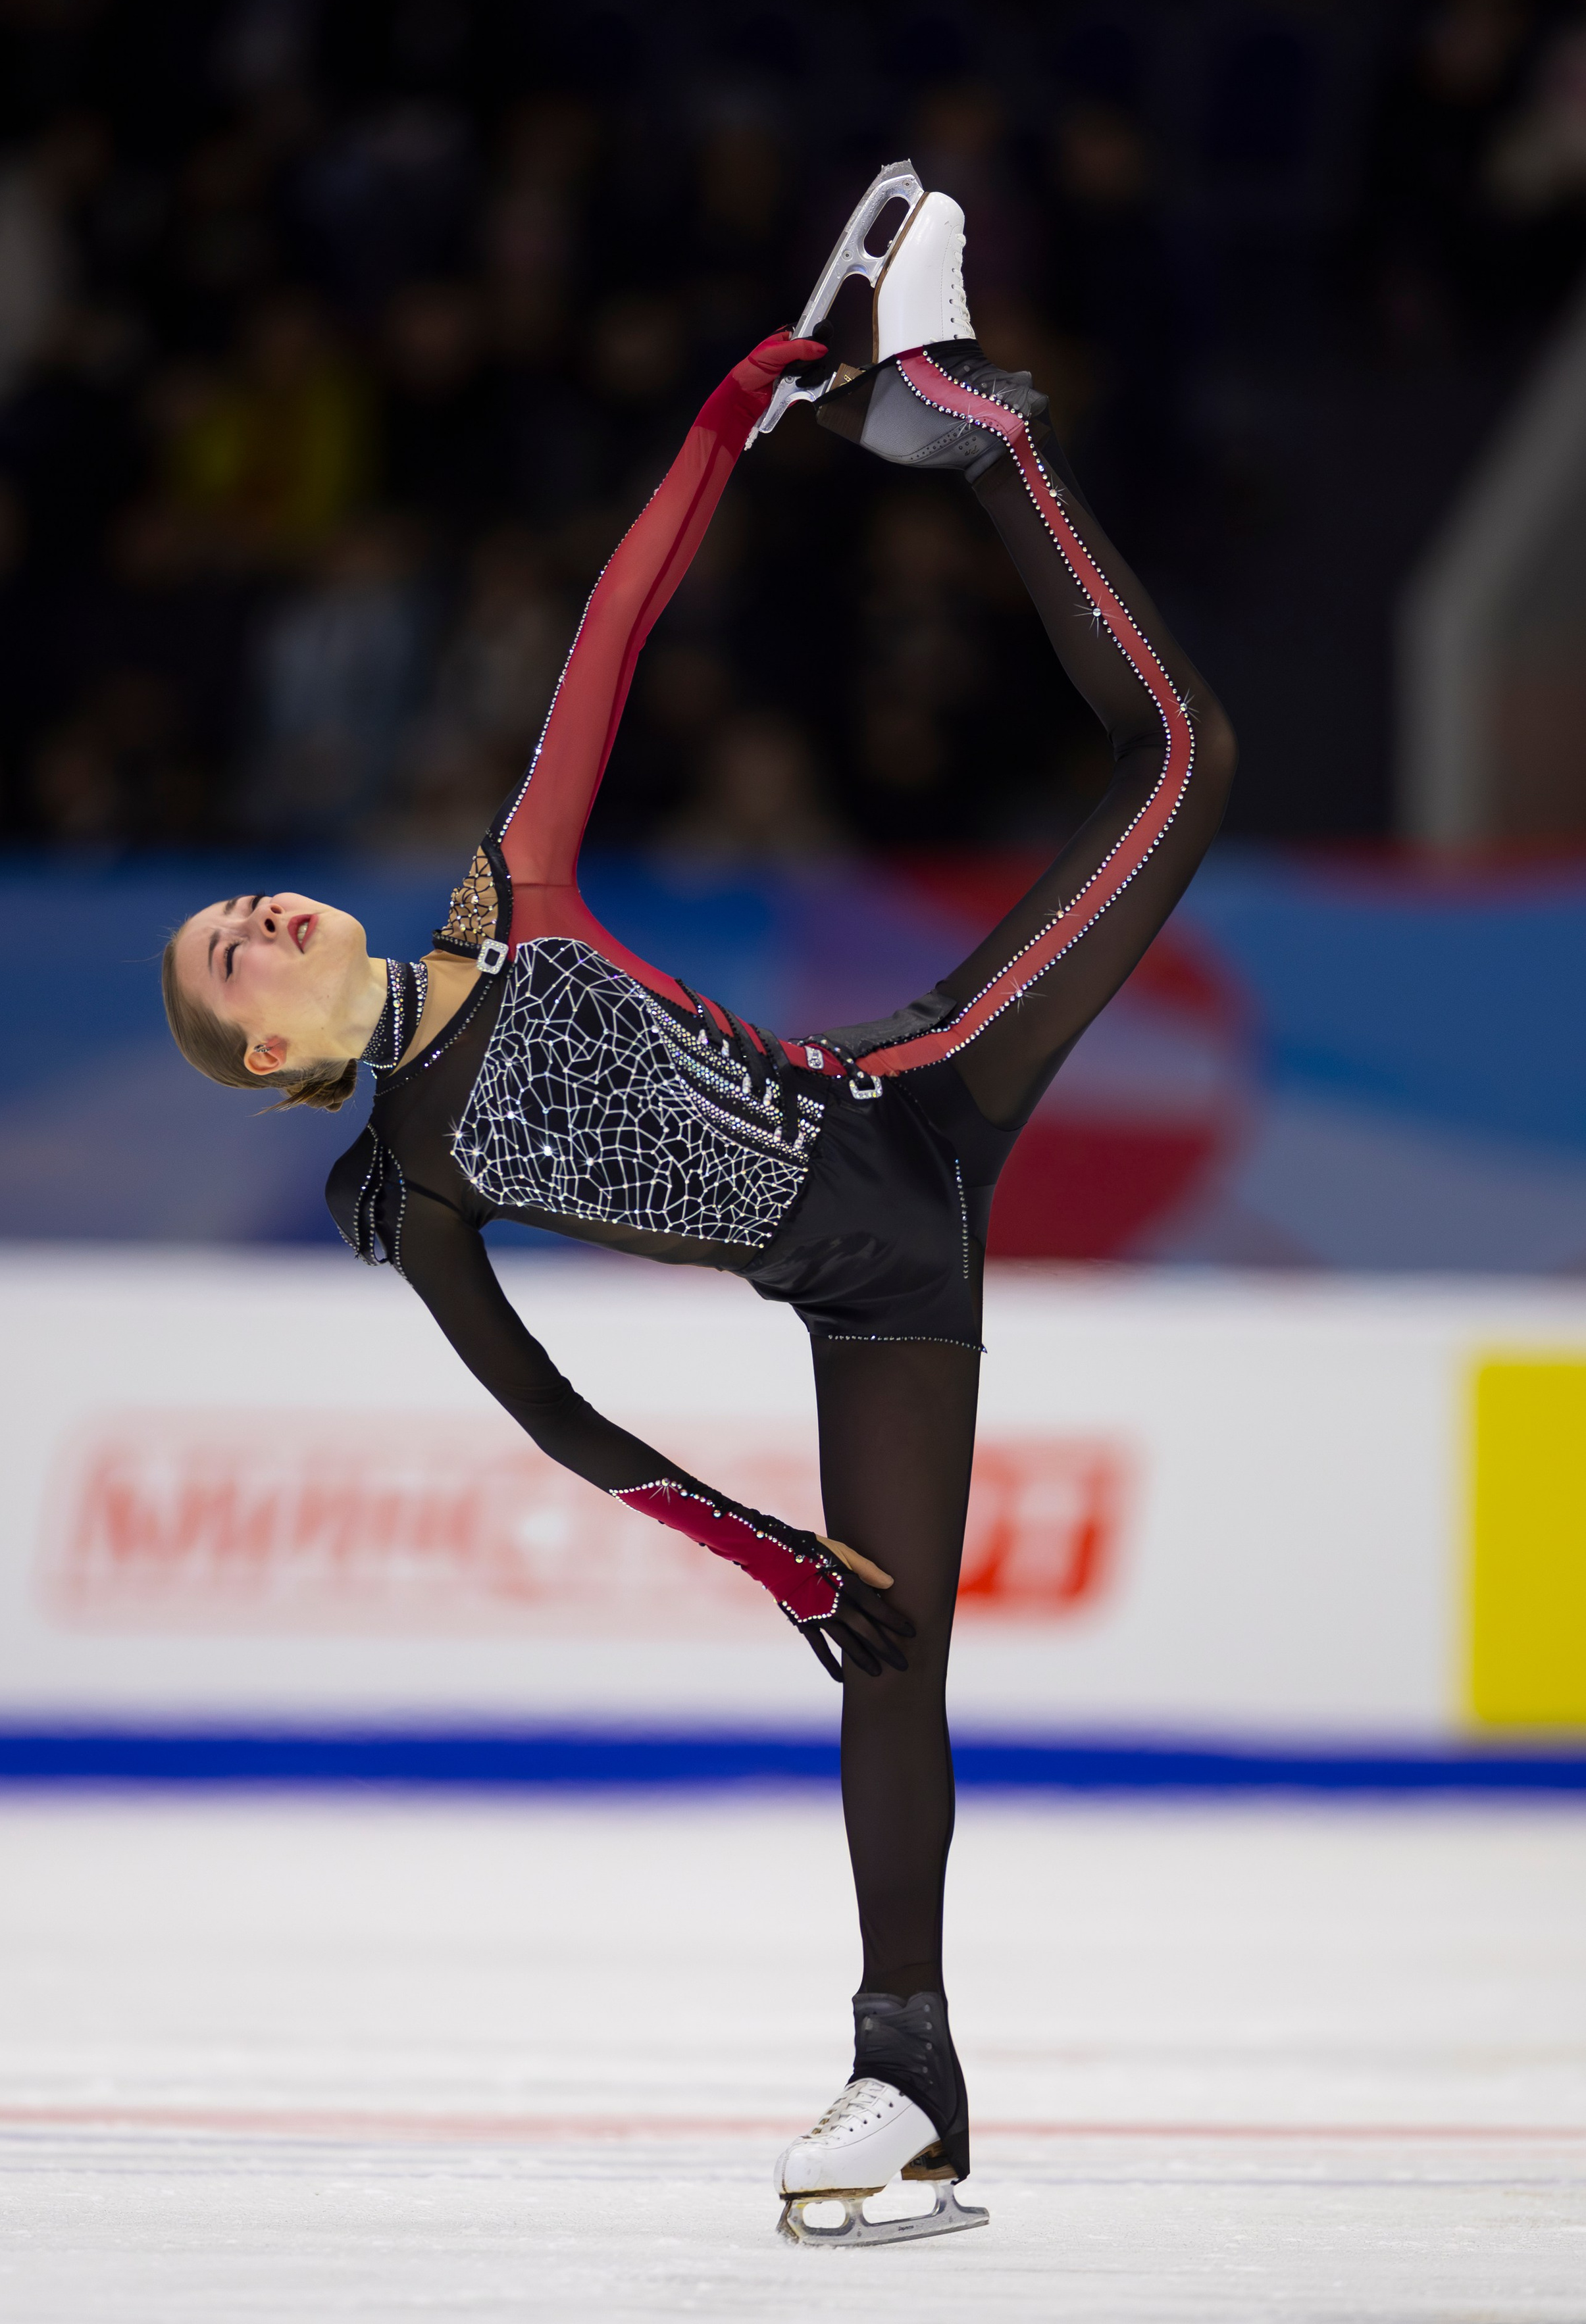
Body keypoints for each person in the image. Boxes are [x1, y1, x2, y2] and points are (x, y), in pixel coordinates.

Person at [161, 189, 1235, 2246]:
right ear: (280, 1058)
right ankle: (904, 2083)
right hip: (870, 1290)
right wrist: (776, 1560)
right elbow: (557, 1420)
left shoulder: (509, 894)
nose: (263, 917)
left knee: (1183, 755)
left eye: (245, 908)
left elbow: (620, 616)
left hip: (920, 1095)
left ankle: (973, 423)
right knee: (891, 1654)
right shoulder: (421, 1180)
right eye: (237, 962)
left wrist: (749, 395)